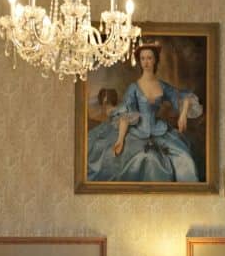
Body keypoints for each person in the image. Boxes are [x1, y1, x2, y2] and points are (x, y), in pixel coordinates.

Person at [87, 43, 204, 182]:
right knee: (148, 160)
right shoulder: (134, 88)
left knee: (184, 158)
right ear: (140, 61)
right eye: (143, 58)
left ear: (155, 60)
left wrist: (183, 114)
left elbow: (182, 98)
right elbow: (125, 115)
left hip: (160, 130)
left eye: (149, 58)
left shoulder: (162, 86)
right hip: (136, 131)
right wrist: (120, 140)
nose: (146, 62)